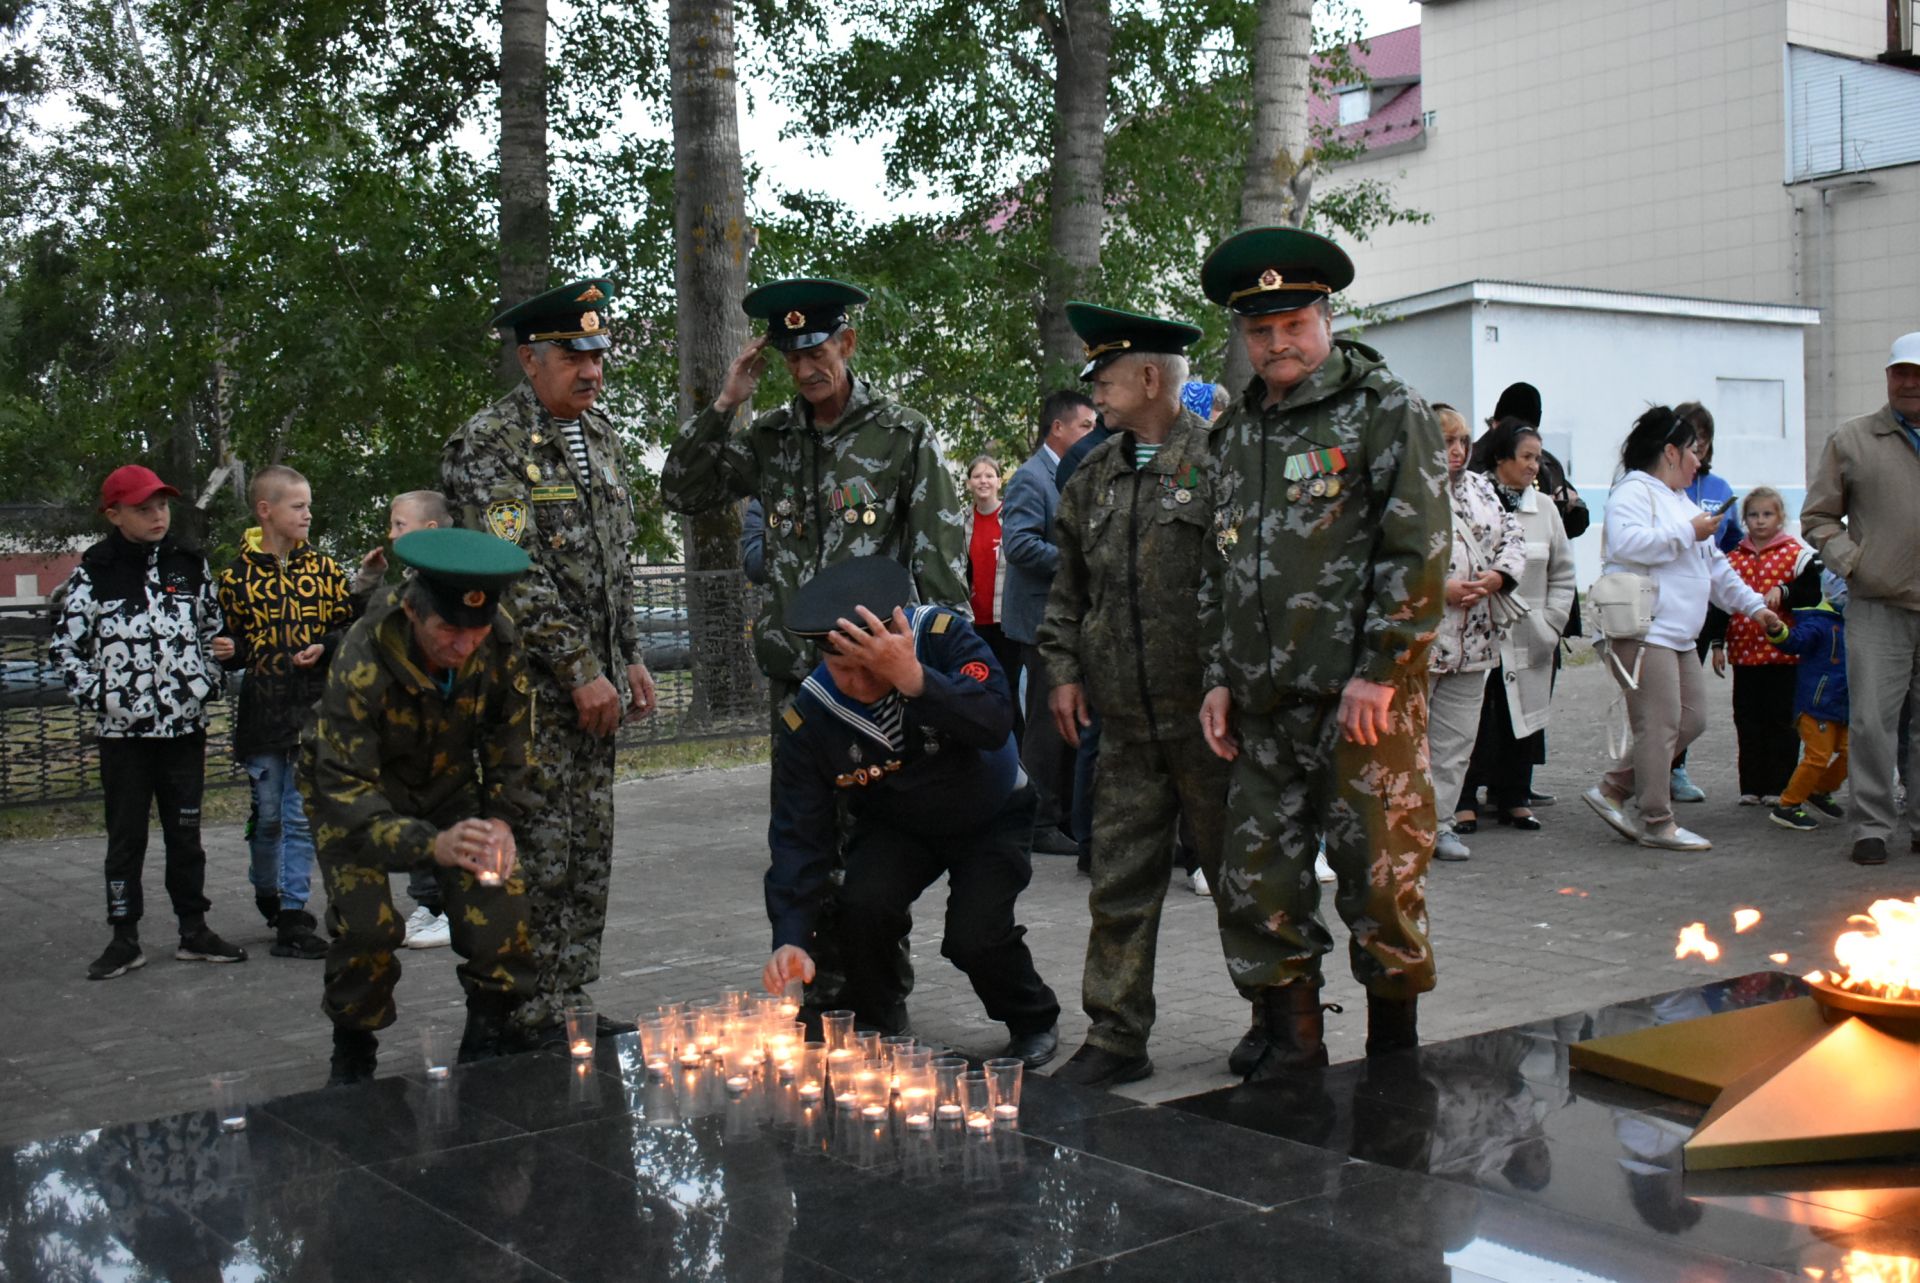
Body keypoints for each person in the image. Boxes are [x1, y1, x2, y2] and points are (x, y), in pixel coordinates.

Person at [1195, 226, 1450, 1074]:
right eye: (1259, 331)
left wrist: (1382, 671)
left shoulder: (1385, 410)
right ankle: (1293, 1037)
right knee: (1259, 882)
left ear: (1326, 318)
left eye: (1293, 324)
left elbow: (1417, 552)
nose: (1277, 344)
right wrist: (1219, 678)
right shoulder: (1236, 435)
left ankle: (1394, 1055)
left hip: (1359, 702)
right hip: (1263, 706)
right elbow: (1219, 562)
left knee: (1379, 880)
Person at [441, 277, 657, 1043]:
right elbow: (513, 571)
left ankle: (565, 998)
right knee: (529, 850)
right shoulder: (490, 443)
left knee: (584, 848)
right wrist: (578, 667)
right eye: (574, 356)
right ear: (531, 360)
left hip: (589, 694)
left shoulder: (598, 437)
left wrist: (626, 654)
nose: (592, 371)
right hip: (525, 695)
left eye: (598, 354)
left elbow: (610, 561)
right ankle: (509, 1010)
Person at [759, 556, 1061, 1069]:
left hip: (992, 811)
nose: (857, 683)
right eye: (842, 669)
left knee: (975, 936)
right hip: (902, 824)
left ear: (895, 630)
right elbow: (798, 834)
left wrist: (917, 679)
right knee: (863, 906)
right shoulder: (811, 715)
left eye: (868, 664)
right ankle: (881, 1016)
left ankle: (1032, 1019)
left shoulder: (943, 637)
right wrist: (790, 935)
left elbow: (995, 720)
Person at [1038, 302, 1234, 1088]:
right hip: (1121, 723)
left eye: (1109, 380)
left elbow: (1239, 588)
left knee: (1241, 880)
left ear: (1152, 377)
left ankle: (1277, 1021)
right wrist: (1060, 669)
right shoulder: (1094, 473)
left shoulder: (1219, 464)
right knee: (1119, 881)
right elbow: (1067, 589)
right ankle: (1117, 1034)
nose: (1098, 398)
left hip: (1212, 725)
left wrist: (1227, 685)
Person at [660, 277, 970, 721]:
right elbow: (681, 492)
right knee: (798, 791)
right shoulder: (771, 439)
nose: (805, 371)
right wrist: (725, 404)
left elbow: (938, 555)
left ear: (846, 343)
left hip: (872, 668)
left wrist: (947, 664)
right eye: (792, 358)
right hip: (794, 673)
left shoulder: (901, 433)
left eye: (816, 354)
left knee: (876, 789)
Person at [302, 528, 541, 1083]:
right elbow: (346, 792)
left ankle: (487, 1037)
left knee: (501, 900)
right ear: (413, 612)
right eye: (449, 630)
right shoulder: (361, 660)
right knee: (368, 928)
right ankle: (354, 1050)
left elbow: (514, 744)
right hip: (357, 795)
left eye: (476, 630)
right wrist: (432, 846)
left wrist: (502, 821)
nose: (464, 645)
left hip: (447, 787)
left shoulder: (499, 642)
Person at [52, 465, 247, 980]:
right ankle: (124, 937)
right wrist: (104, 697)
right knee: (126, 836)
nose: (157, 515)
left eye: (162, 505)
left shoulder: (189, 564)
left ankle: (194, 929)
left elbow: (215, 629)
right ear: (114, 514)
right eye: (143, 508)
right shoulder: (94, 571)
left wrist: (218, 664)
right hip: (124, 737)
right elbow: (65, 649)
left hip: (185, 729)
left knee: (186, 834)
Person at [1582, 406, 1781, 852]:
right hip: (1642, 631)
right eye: (1693, 451)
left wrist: (1755, 609)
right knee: (1659, 725)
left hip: (1677, 635)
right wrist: (1686, 532)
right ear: (1670, 452)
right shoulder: (1634, 491)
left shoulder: (1680, 500)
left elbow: (1718, 571)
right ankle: (1657, 821)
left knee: (1692, 719)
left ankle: (1613, 789)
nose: (1699, 461)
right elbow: (1628, 543)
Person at [216, 464, 357, 961]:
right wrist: (228, 648)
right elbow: (229, 641)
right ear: (266, 511)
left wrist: (325, 646)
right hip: (263, 713)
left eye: (308, 505)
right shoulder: (234, 578)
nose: (307, 514)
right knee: (269, 816)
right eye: (297, 506)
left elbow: (351, 628)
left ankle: (295, 916)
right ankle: (267, 894)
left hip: (312, 713)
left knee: (300, 818)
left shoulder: (324, 571)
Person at [1800, 332, 1920, 866]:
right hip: (1877, 603)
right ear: (1888, 377)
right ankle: (1871, 825)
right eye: (1901, 372)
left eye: (1918, 373)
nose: (1909, 382)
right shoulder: (1853, 438)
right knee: (1873, 721)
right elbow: (1818, 517)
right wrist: (1854, 562)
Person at [352, 489, 460, 951]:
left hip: (443, 719)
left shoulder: (452, 580)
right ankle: (428, 903)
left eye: (400, 525)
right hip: (408, 722)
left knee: (442, 810)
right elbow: (376, 628)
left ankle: (450, 908)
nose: (391, 534)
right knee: (410, 809)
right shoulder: (410, 583)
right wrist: (369, 582)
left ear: (430, 531)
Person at [1460, 422, 1576, 832]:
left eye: (1538, 458)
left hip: (1531, 633)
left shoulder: (1544, 509)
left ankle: (1515, 796)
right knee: (1476, 718)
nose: (1534, 466)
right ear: (1500, 458)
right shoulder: (1472, 501)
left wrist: (1551, 623)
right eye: (1526, 457)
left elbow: (1563, 573)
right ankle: (1464, 798)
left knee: (1522, 716)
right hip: (1479, 631)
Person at [1425, 405, 1526, 863]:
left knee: (1455, 743)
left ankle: (1441, 824)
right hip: (1422, 640)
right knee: (1412, 744)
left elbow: (1513, 537)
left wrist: (1500, 577)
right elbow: (1381, 558)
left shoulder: (1484, 488)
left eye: (1462, 441)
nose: (1457, 450)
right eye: (1447, 441)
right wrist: (1435, 587)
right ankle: (1403, 830)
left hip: (1477, 639)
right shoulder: (1405, 489)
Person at [1001, 389, 1098, 857]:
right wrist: (1077, 560)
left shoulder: (1076, 474)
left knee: (1070, 719)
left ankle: (1061, 814)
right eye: (1085, 426)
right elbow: (1018, 546)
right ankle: (1037, 821)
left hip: (1071, 620)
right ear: (1057, 428)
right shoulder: (1030, 478)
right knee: (1044, 723)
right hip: (1040, 624)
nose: (1092, 434)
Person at [1709, 486, 1811, 806]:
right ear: (1744, 519)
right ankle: (1751, 785)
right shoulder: (1733, 559)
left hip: (1784, 655)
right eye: (1753, 515)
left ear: (1780, 517)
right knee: (1748, 719)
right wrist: (1717, 645)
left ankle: (1780, 785)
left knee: (1782, 721)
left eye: (1767, 514)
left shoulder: (1796, 555)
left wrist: (1785, 591)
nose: (1760, 521)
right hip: (1745, 654)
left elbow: (1810, 593)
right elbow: (1720, 604)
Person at [1669, 400, 1741, 804]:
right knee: (1665, 696)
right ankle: (1646, 769)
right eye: (1692, 438)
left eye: (1704, 440)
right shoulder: (1658, 488)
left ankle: (1676, 767)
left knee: (1690, 700)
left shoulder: (1720, 489)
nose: (1699, 447)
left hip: (1707, 604)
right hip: (1666, 605)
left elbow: (1734, 545)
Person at [1766, 566, 1850, 832]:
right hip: (1816, 705)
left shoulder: (1850, 623)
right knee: (1817, 756)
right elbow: (1794, 641)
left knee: (1854, 752)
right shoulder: (1818, 622)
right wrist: (1778, 631)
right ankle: (1788, 805)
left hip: (1842, 705)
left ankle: (1819, 789)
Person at [961, 453, 1021, 735]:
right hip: (974, 620)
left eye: (989, 475)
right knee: (979, 686)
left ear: (999, 481)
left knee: (1008, 686)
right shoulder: (960, 522)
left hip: (1006, 620)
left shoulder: (1012, 517)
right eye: (977, 476)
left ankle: (1017, 749)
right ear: (969, 483)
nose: (983, 481)